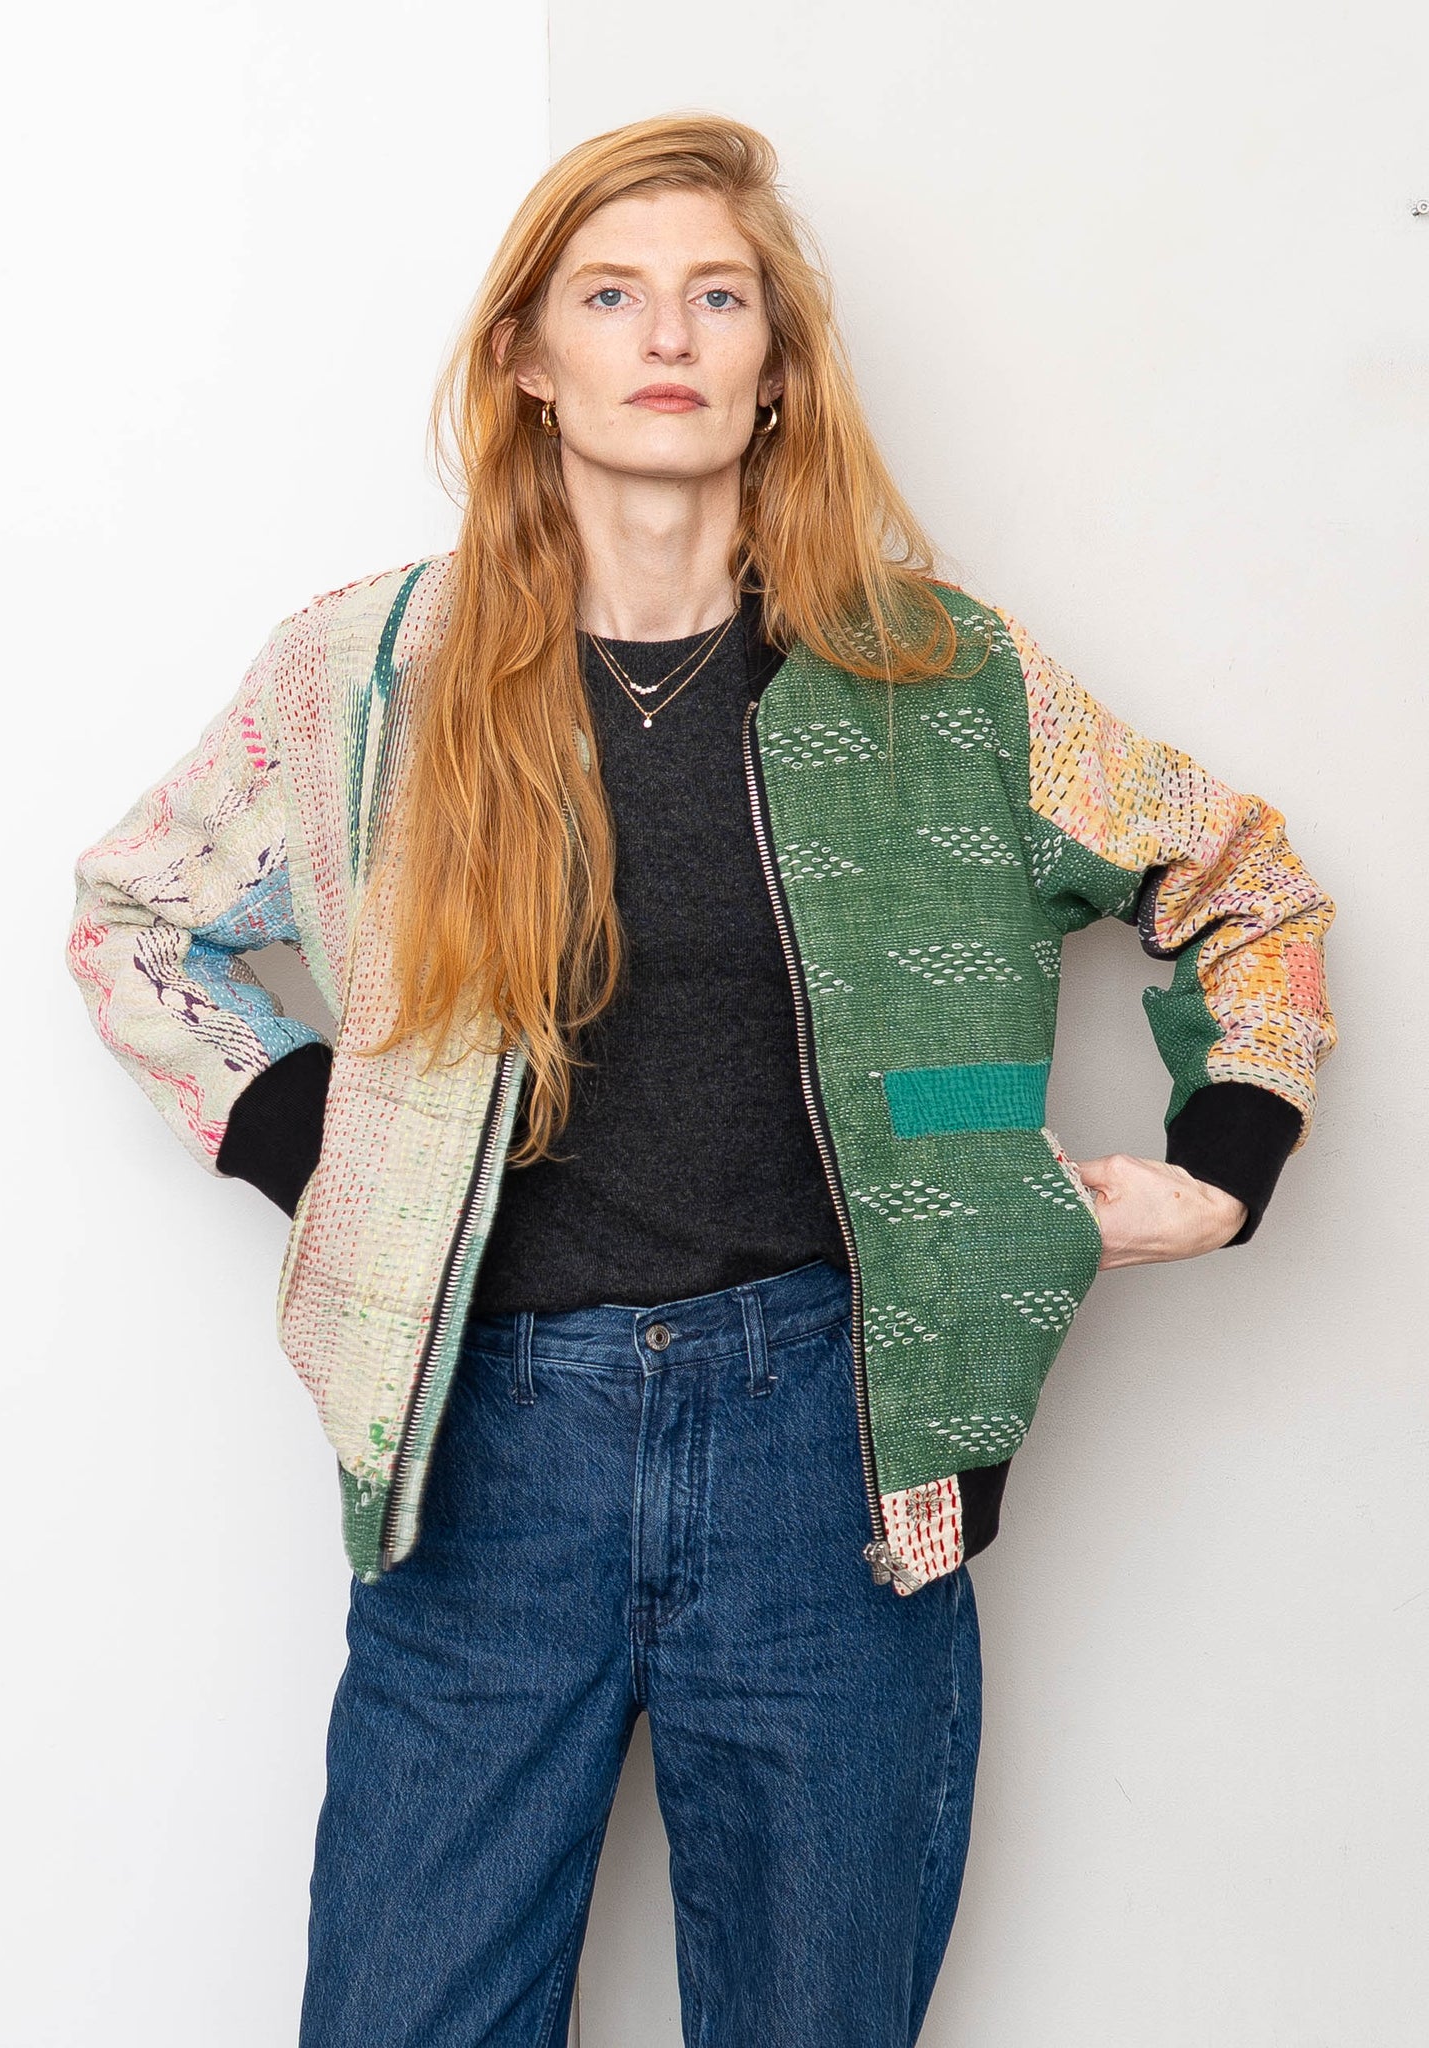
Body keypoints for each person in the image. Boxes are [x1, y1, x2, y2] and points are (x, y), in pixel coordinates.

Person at [64, 113, 1337, 2048]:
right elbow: (136, 917)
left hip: (839, 1454)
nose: (667, 334)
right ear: (527, 357)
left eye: (717, 296)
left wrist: (1223, 1163)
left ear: (775, 367)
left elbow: (1247, 889)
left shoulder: (939, 683)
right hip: (482, 1459)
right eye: (611, 294)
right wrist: (340, 1149)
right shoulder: (371, 677)